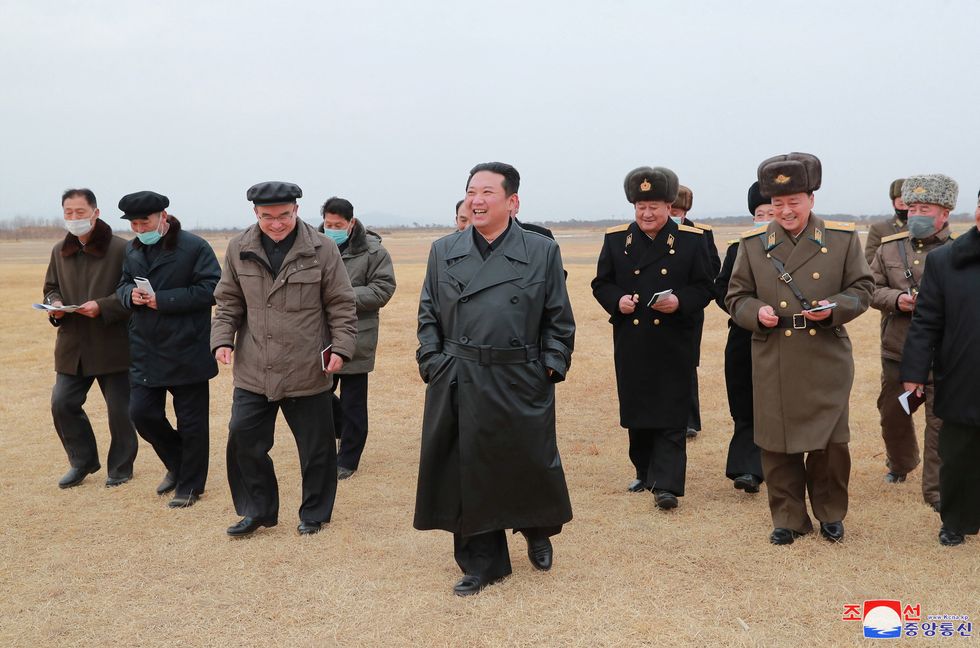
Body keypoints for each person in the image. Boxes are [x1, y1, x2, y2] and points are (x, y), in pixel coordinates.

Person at [414, 162, 575, 596]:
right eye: (471, 191)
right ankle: (482, 563)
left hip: (519, 375)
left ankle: (535, 528)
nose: (477, 200)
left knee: (528, 461)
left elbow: (558, 318)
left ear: (512, 201)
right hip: (458, 375)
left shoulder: (541, 251)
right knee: (464, 471)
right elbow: (428, 313)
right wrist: (432, 360)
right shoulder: (443, 249)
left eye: (487, 191)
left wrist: (549, 366)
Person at [726, 152, 873, 545]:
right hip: (773, 352)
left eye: (794, 202)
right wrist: (757, 313)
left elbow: (863, 289)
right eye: (778, 204)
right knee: (776, 443)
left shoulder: (841, 239)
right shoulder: (755, 243)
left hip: (825, 352)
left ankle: (830, 513)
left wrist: (835, 309)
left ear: (811, 199)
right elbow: (736, 296)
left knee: (830, 443)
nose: (786, 211)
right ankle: (788, 517)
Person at [212, 182, 357, 537]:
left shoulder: (321, 248)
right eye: (267, 217)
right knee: (243, 440)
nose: (276, 224)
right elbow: (228, 301)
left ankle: (314, 513)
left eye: (284, 216)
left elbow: (341, 302)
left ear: (296, 210)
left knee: (316, 449)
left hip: (306, 366)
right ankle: (257, 509)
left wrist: (341, 348)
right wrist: (221, 340)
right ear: (255, 214)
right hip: (254, 368)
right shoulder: (238, 248)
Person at [592, 167, 713, 510]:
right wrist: (617, 300)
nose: (647, 214)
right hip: (633, 339)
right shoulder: (617, 240)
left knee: (673, 412)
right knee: (638, 409)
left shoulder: (692, 240)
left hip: (674, 339)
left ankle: (667, 485)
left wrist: (680, 302)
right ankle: (644, 471)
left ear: (669, 205)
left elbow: (706, 286)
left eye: (655, 207)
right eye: (640, 207)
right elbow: (601, 283)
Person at [117, 191, 221, 508]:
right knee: (141, 413)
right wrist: (128, 296)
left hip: (187, 347)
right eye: (133, 223)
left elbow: (212, 289)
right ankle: (178, 465)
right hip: (145, 348)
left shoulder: (194, 247)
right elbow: (121, 285)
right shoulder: (133, 250)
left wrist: (164, 300)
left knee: (192, 422)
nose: (139, 228)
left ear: (163, 216)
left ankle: (190, 485)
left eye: (144, 221)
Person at [870, 174, 955, 510]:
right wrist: (896, 299)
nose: (917, 213)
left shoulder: (959, 252)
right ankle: (901, 463)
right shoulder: (889, 247)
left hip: (945, 356)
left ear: (945, 212)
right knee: (893, 415)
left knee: (940, 424)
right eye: (913, 207)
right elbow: (868, 288)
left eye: (926, 208)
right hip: (898, 351)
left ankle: (936, 493)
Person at [902, 182, 980, 547]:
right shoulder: (945, 261)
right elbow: (926, 323)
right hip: (964, 376)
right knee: (958, 453)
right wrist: (914, 375)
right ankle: (955, 520)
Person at [43, 188, 137, 489]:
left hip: (114, 342)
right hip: (73, 345)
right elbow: (51, 287)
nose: (74, 218)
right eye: (68, 212)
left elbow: (132, 294)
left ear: (95, 213)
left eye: (80, 212)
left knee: (120, 411)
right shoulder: (59, 250)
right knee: (62, 403)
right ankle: (81, 462)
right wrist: (55, 305)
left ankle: (121, 468)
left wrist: (103, 306)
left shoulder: (122, 249)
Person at [318, 196, 396, 480]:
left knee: (353, 401)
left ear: (351, 224)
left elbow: (383, 290)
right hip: (319, 336)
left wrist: (342, 296)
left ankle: (348, 459)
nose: (332, 228)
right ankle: (339, 431)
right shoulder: (311, 246)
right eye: (328, 224)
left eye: (338, 225)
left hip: (356, 335)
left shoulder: (373, 252)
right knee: (318, 393)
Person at [712, 181, 774, 494]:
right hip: (743, 336)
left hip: (783, 337)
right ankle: (747, 469)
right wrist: (748, 310)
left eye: (771, 212)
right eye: (759, 214)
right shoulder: (739, 247)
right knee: (744, 402)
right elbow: (721, 289)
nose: (765, 218)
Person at [669, 184, 721, 439]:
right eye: (670, 209)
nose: (673, 215)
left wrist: (686, 297)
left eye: (677, 210)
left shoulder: (700, 233)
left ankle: (689, 421)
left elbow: (712, 269)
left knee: (687, 365)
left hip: (688, 309)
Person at [865, 178, 909, 264]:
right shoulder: (879, 229)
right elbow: (870, 261)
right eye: (901, 203)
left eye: (908, 203)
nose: (905, 207)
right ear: (893, 204)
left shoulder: (924, 227)